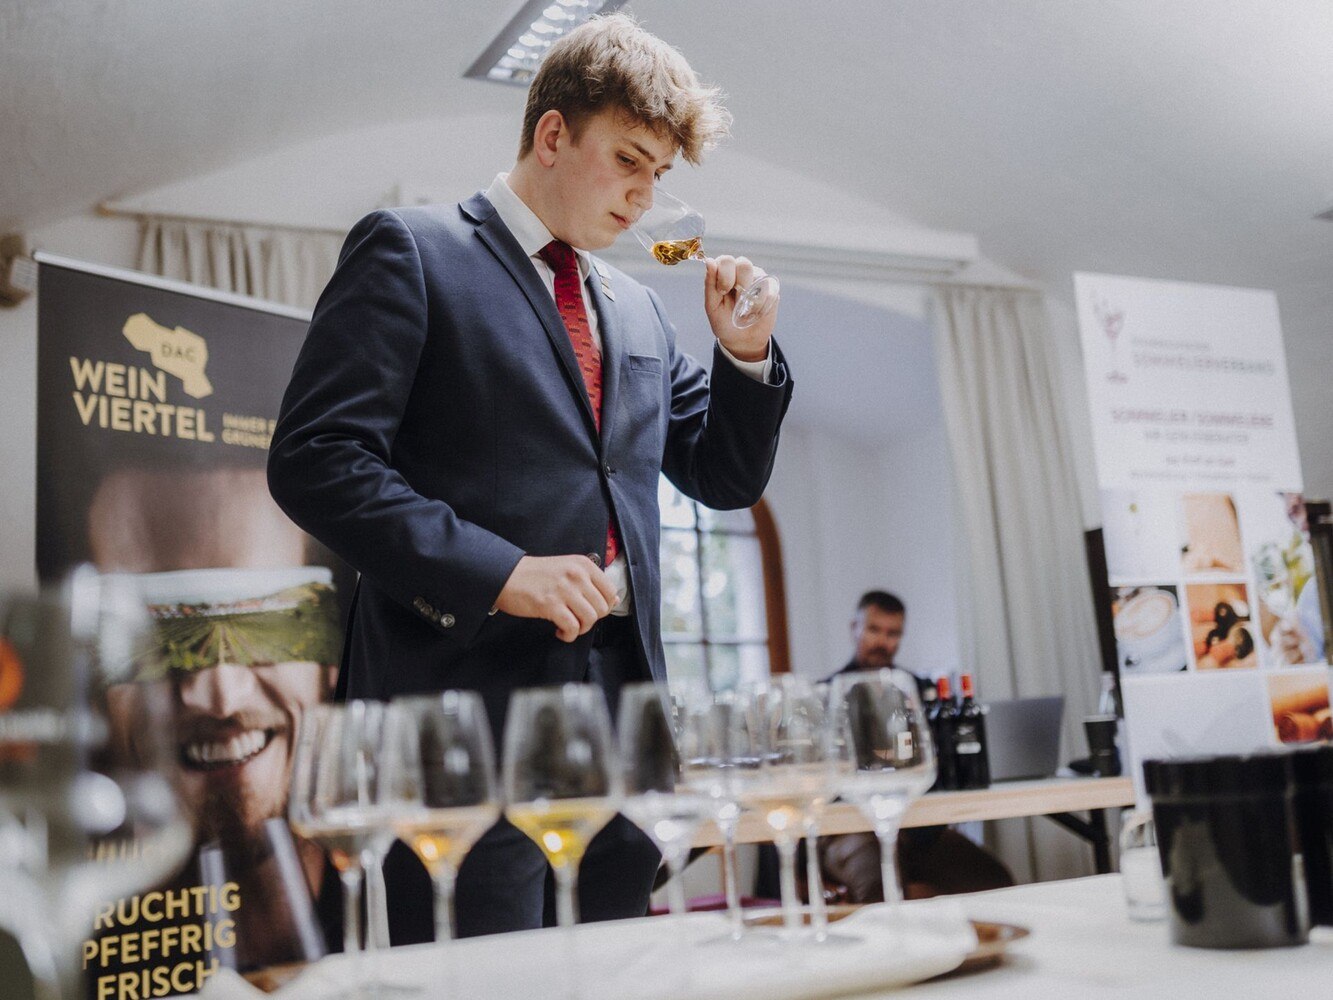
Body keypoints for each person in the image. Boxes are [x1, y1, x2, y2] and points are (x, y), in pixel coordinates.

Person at [267, 13, 793, 942]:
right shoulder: (411, 249)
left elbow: (720, 476)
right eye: (628, 159)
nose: (642, 197)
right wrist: (502, 571)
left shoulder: (636, 310)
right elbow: (317, 460)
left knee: (616, 972)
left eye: (658, 175)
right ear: (552, 134)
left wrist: (742, 357)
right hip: (458, 723)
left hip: (624, 729)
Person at [820, 590, 1013, 901]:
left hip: (916, 828)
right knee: (878, 888)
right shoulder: (827, 695)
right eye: (873, 630)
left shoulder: (919, 691)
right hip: (849, 829)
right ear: (853, 628)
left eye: (893, 633)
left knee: (994, 881)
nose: (883, 641)